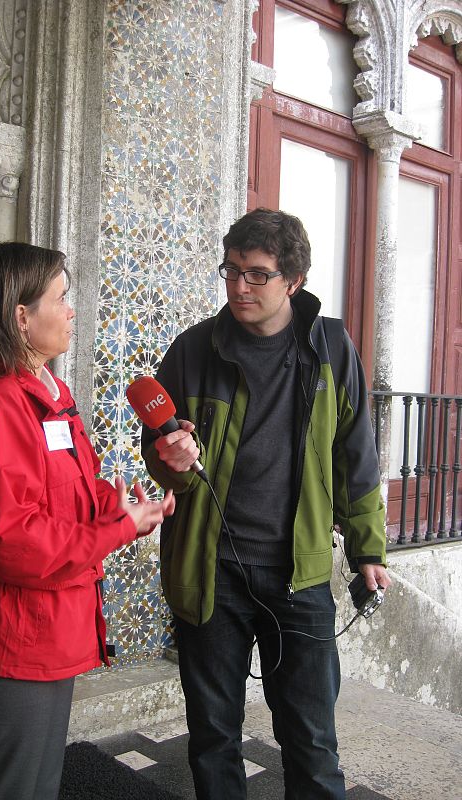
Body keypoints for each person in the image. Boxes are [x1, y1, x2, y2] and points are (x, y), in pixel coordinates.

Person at [140, 208, 391, 799]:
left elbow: (355, 453)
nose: (238, 287)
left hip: (298, 576)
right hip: (211, 574)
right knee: (212, 735)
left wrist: (367, 550)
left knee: (311, 739)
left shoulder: (330, 347)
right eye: (230, 271)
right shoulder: (193, 349)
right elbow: (159, 453)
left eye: (256, 275)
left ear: (293, 282)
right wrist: (166, 460)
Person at [0, 242, 174, 800]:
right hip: (8, 642)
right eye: (61, 298)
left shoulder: (51, 392)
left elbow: (58, 502)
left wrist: (119, 510)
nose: (71, 312)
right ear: (21, 317)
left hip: (46, 635)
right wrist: (118, 528)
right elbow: (11, 542)